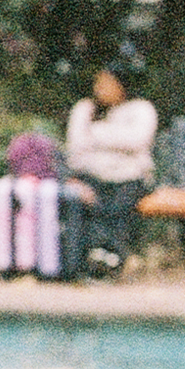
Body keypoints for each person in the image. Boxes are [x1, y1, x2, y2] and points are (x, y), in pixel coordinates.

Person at [63, 65, 157, 278]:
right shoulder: (84, 109)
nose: (101, 88)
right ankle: (90, 257)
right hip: (91, 174)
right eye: (99, 83)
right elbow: (76, 146)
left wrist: (97, 134)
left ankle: (113, 257)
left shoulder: (141, 109)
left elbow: (138, 141)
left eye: (107, 83)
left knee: (120, 204)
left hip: (130, 176)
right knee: (89, 200)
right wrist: (115, 140)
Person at [0, 131, 62, 279]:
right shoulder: (7, 186)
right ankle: (9, 264)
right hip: (24, 187)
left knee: (41, 204)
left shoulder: (47, 186)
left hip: (40, 186)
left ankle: (45, 267)